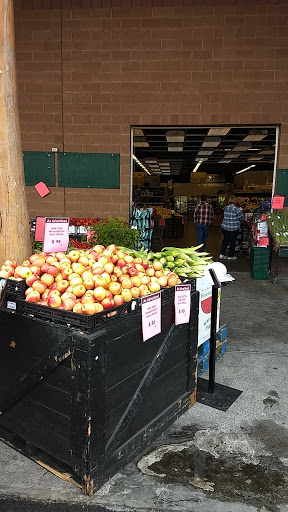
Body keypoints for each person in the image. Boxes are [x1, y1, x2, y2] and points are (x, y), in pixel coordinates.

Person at [220, 195, 244, 260]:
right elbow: (241, 217)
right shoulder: (237, 209)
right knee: (232, 242)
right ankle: (230, 256)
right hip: (234, 228)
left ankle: (222, 254)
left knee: (225, 241)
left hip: (225, 227)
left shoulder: (225, 208)